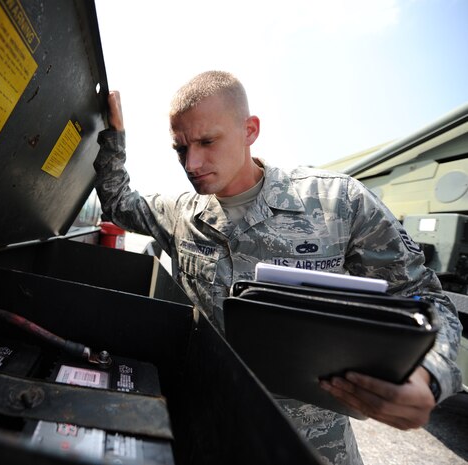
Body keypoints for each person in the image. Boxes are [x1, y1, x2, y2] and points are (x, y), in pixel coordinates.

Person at [93, 70, 463, 465]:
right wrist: (114, 134)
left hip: (308, 446)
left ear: (250, 130)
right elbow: (117, 202)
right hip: (209, 434)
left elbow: (428, 303)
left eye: (207, 141)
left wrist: (428, 376)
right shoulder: (181, 213)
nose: (192, 162)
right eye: (180, 148)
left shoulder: (338, 203)